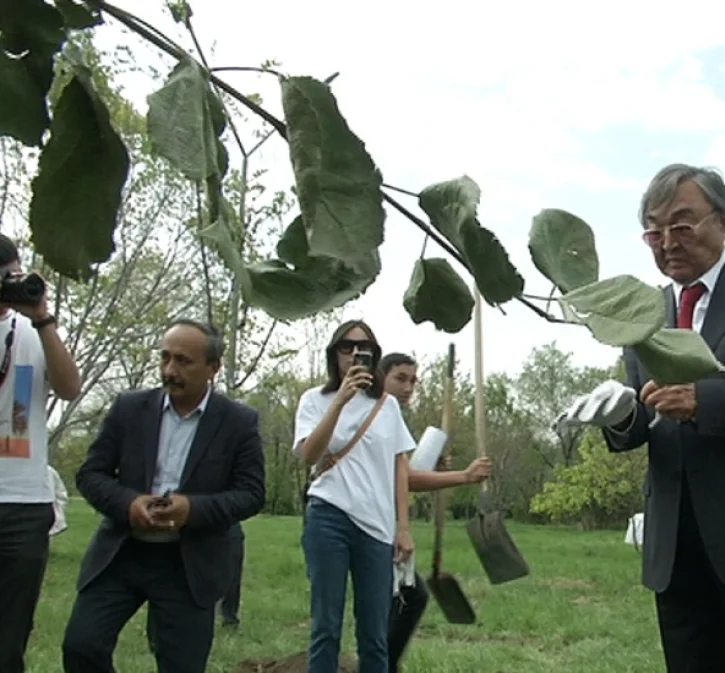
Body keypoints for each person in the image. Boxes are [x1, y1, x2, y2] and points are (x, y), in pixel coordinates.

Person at [556, 163, 725, 673]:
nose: (667, 242)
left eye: (681, 225)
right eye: (654, 231)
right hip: (676, 546)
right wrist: (619, 416)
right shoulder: (644, 313)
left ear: (723, 222)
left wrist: (706, 401)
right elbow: (648, 415)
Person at [61, 319, 265, 673]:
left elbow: (251, 494)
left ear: (213, 369)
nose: (170, 370)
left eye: (183, 361)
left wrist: (193, 509)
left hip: (189, 563)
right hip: (123, 552)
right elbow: (90, 474)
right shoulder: (129, 408)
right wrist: (128, 504)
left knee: (181, 666)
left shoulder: (238, 422)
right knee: (81, 646)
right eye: (165, 358)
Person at [295, 322, 417, 673]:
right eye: (346, 348)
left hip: (376, 526)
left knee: (375, 633)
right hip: (328, 516)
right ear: (334, 354)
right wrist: (340, 401)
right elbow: (309, 454)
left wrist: (403, 527)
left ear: (373, 356)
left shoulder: (387, 407)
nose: (353, 354)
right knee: (326, 627)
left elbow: (399, 465)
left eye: (362, 348)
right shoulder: (314, 400)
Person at [377, 352, 491, 673]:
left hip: (389, 522)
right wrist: (464, 477)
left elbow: (405, 475)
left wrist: (436, 470)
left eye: (413, 380)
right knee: (403, 599)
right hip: (372, 524)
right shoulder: (376, 415)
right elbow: (407, 478)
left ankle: (384, 665)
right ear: (379, 376)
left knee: (405, 599)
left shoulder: (393, 418)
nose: (408, 387)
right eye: (400, 378)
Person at [0, 233, 82, 673]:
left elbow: (71, 388)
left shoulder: (33, 333)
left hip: (24, 504)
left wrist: (43, 318)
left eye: (8, 276)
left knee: (10, 637)